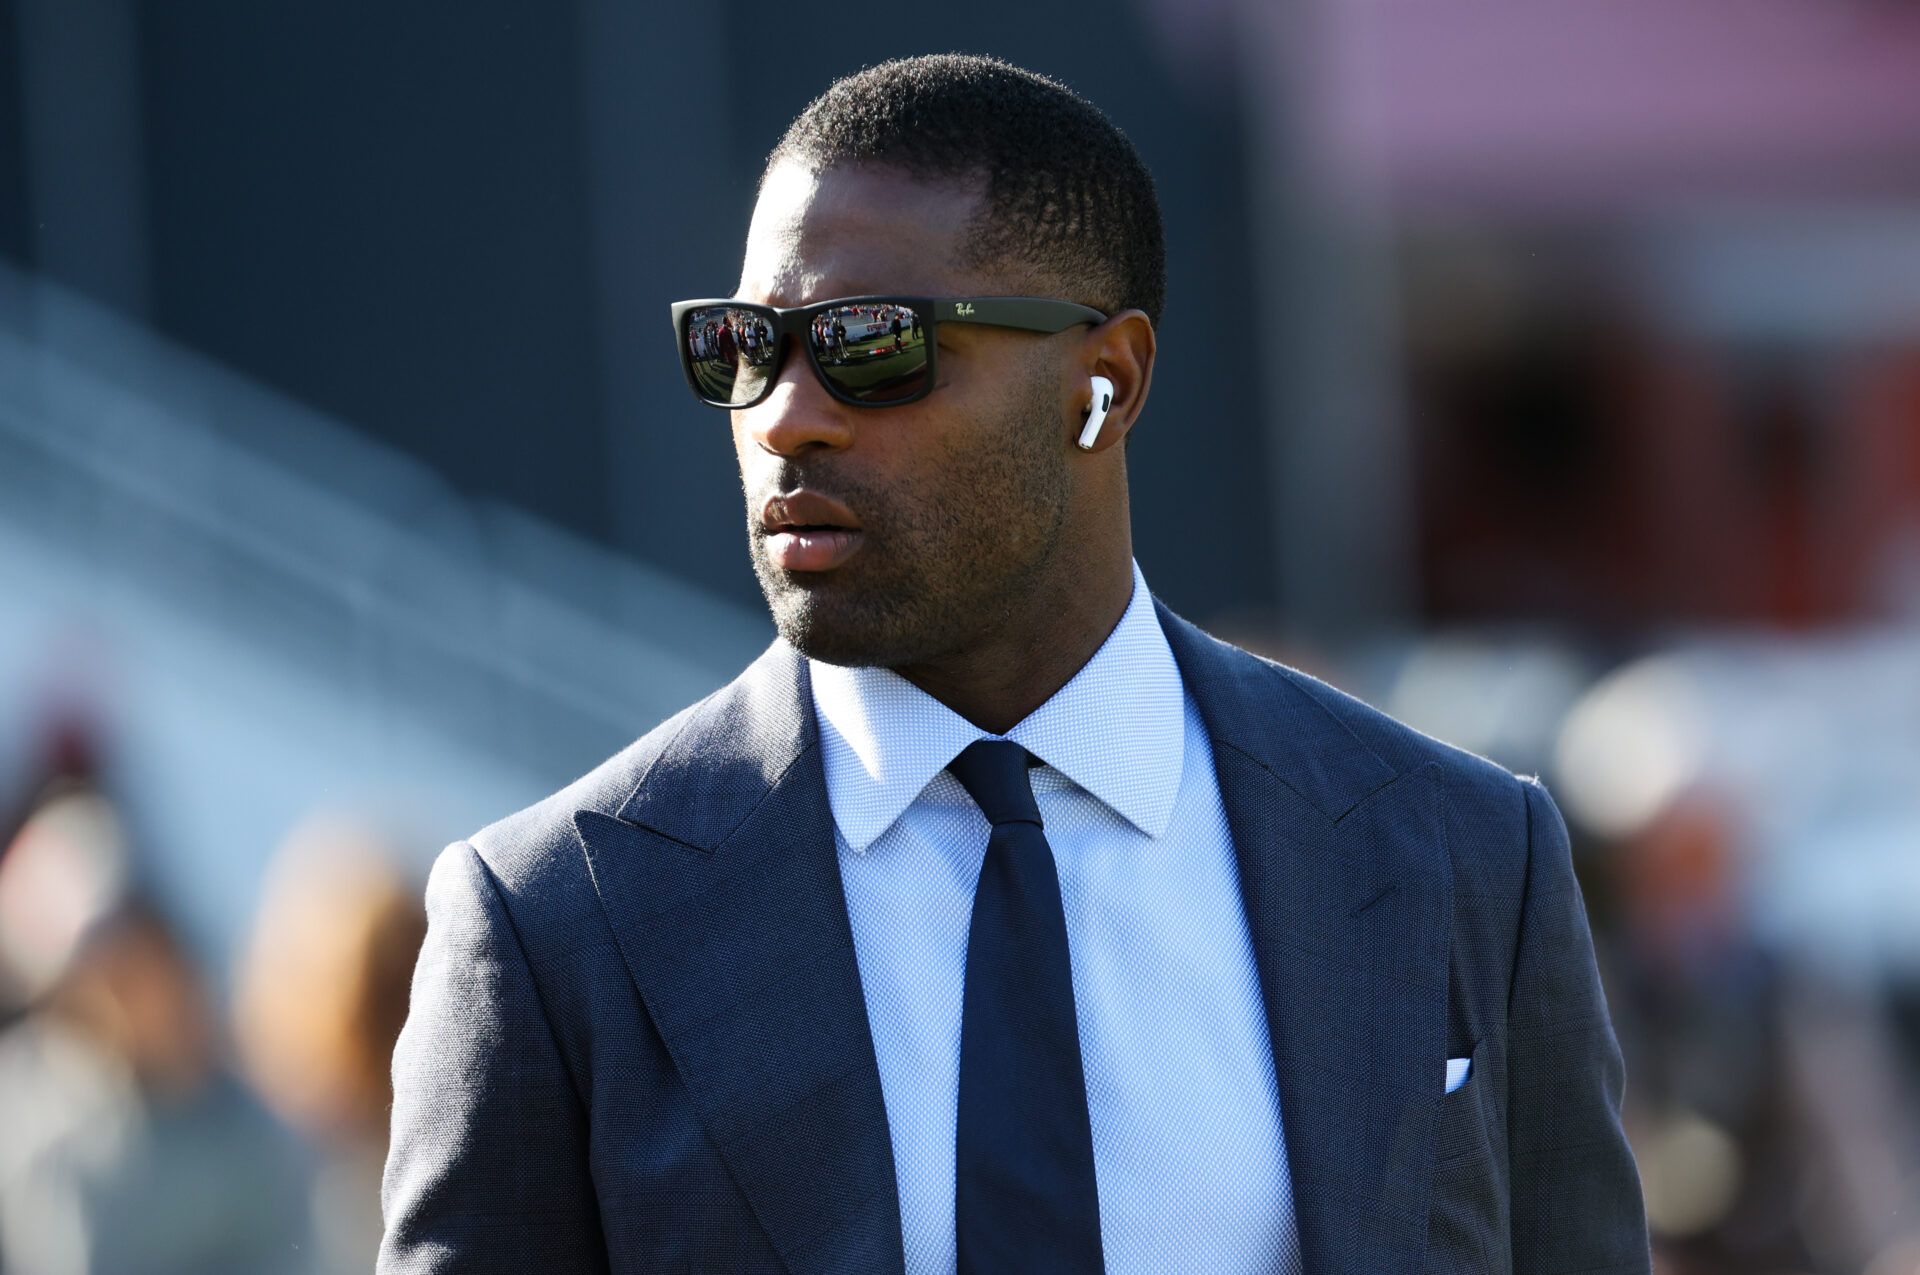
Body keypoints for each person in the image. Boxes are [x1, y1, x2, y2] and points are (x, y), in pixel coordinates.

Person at [381, 55, 1649, 1274]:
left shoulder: (1462, 855)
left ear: (1106, 381)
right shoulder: (559, 923)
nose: (785, 414)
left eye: (871, 343)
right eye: (744, 348)